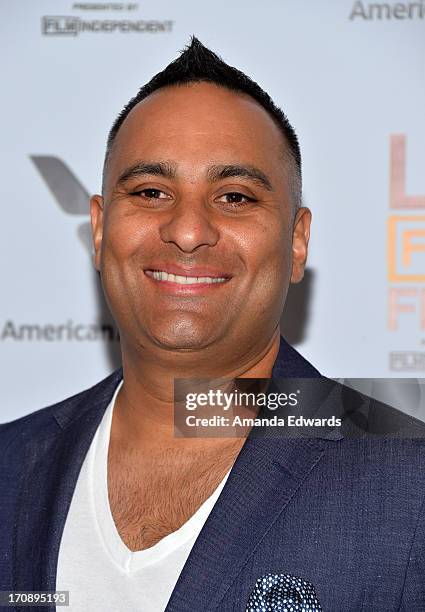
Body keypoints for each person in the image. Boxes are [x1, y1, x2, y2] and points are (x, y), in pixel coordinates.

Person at [1, 37, 425, 612]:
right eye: (152, 192)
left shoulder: (407, 479)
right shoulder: (12, 463)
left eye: (233, 196)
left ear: (297, 241)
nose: (188, 229)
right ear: (100, 231)